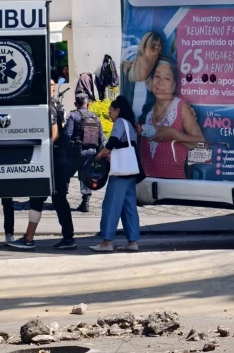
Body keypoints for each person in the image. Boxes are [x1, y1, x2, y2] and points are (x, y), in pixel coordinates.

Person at [8, 80, 77, 250]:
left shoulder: (48, 108)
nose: (52, 87)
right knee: (52, 198)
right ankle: (63, 237)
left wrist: (42, 152)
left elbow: (55, 134)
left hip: (51, 160)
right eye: (51, 85)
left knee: (43, 197)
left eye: (53, 85)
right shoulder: (57, 105)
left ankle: (32, 238)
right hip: (58, 158)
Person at [90, 95, 141, 252]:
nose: (109, 115)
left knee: (111, 205)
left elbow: (112, 142)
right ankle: (133, 241)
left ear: (118, 110)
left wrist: (98, 156)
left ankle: (107, 241)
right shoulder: (132, 125)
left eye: (110, 111)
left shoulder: (120, 122)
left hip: (120, 172)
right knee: (129, 206)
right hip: (131, 171)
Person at [139, 58, 204, 179]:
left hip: (174, 186)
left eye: (167, 78)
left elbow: (203, 145)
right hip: (146, 186)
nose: (160, 83)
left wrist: (174, 134)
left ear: (173, 86)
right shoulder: (146, 111)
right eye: (157, 76)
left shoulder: (181, 107)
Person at [64, 93, 104, 213]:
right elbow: (101, 136)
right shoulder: (95, 116)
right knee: (86, 175)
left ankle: (62, 199)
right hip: (91, 151)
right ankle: (85, 202)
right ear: (87, 104)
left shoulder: (73, 116)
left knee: (65, 174)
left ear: (76, 104)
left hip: (76, 151)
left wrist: (65, 149)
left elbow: (67, 135)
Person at [123, 31, 165, 120]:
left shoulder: (157, 79)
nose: (155, 51)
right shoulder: (125, 70)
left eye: (158, 48)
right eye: (153, 46)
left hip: (146, 130)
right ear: (144, 46)